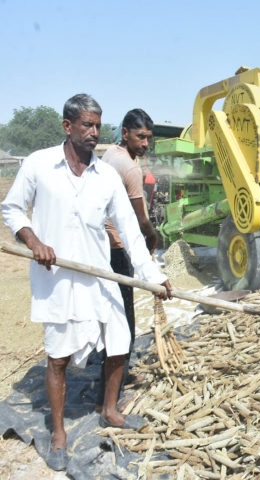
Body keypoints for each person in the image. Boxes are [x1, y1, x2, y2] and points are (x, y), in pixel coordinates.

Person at [1, 94, 172, 471]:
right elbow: (11, 208)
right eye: (87, 125)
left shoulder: (106, 176)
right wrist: (34, 241)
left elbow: (129, 229)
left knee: (119, 342)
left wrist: (155, 276)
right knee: (59, 356)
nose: (95, 132)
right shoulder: (39, 165)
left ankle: (109, 410)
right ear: (68, 126)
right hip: (58, 277)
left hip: (100, 274)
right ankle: (59, 433)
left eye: (98, 125)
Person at [96, 109, 158, 412]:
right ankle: (112, 394)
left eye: (148, 137)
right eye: (140, 136)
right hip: (119, 249)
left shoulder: (110, 155)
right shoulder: (130, 169)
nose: (145, 143)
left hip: (101, 246)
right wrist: (153, 238)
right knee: (125, 323)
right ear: (125, 133)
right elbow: (139, 219)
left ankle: (121, 374)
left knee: (110, 315)